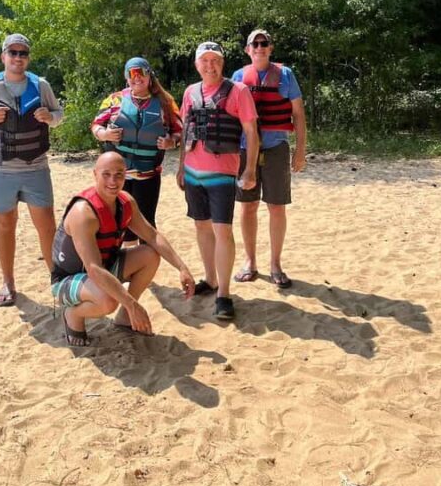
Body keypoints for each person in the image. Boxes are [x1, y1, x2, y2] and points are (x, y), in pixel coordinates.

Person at [51, 151, 196, 346]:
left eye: (119, 174)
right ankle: (73, 314)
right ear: (95, 174)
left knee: (150, 255)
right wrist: (131, 304)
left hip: (104, 267)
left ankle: (124, 318)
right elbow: (93, 268)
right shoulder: (83, 213)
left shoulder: (125, 202)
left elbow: (152, 236)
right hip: (68, 280)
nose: (113, 180)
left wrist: (182, 268)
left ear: (125, 174)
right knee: (108, 300)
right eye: (106, 174)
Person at [0, 33, 64, 307]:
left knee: (46, 226)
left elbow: (59, 115)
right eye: (13, 53)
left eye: (23, 53)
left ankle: (57, 279)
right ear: (3, 57)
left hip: (36, 167)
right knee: (6, 225)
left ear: (27, 58)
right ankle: (8, 282)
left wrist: (50, 117)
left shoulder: (40, 85)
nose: (18, 58)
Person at [177, 41, 259, 320]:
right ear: (197, 64)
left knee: (222, 230)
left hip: (222, 173)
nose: (209, 65)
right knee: (202, 226)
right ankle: (210, 279)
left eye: (215, 60)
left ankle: (224, 293)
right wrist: (179, 168)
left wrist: (249, 170)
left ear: (222, 63)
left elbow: (251, 132)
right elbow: (187, 132)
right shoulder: (190, 92)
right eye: (204, 60)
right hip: (193, 172)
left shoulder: (238, 91)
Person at [231, 29, 307, 288]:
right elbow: (230, 114)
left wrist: (300, 150)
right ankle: (250, 262)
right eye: (255, 44)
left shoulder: (286, 75)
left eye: (265, 43)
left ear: (270, 48)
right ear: (247, 49)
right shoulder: (239, 77)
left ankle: (275, 264)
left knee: (276, 207)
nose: (260, 47)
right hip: (244, 150)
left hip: (276, 148)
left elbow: (298, 114)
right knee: (247, 206)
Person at [91, 57, 182, 241]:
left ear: (149, 76)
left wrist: (170, 142)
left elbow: (180, 132)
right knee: (118, 223)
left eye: (141, 72)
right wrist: (105, 134)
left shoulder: (165, 102)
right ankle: (124, 264)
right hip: (117, 176)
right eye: (132, 73)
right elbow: (95, 125)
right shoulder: (114, 100)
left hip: (147, 175)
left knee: (146, 222)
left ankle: (146, 263)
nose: (137, 78)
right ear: (126, 77)